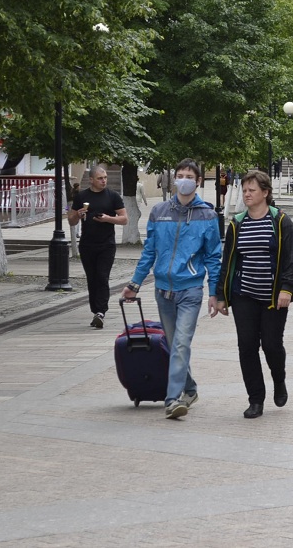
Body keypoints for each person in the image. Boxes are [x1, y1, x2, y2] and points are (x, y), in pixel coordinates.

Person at [122, 158, 222, 419]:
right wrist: (134, 283)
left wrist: (215, 293)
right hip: (163, 289)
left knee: (180, 344)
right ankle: (189, 388)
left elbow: (213, 257)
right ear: (174, 178)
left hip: (190, 290)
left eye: (189, 175)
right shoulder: (159, 212)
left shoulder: (208, 216)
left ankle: (172, 399)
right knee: (172, 343)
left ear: (198, 181)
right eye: (180, 174)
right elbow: (150, 251)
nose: (184, 179)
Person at [215, 170, 293, 419]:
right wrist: (222, 295)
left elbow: (291, 258)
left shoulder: (280, 221)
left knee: (272, 345)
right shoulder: (237, 223)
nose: (247, 194)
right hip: (244, 295)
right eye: (245, 190)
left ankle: (279, 379)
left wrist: (287, 288)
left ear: (265, 192)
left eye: (252, 190)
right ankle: (256, 399)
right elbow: (227, 261)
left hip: (273, 296)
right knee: (247, 347)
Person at [76, 165, 128, 329]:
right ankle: (95, 310)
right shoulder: (82, 196)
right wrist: (77, 215)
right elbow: (71, 220)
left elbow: (124, 219)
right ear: (91, 179)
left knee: (102, 276)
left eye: (105, 177)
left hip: (106, 245)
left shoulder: (113, 196)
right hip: (87, 245)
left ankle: (101, 312)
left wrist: (107, 218)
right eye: (100, 178)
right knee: (92, 278)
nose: (103, 180)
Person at [66, 182, 81, 259]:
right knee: (77, 222)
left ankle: (75, 233)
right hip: (76, 208)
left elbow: (68, 203)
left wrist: (67, 210)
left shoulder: (71, 193)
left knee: (74, 221)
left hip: (71, 207)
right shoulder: (78, 194)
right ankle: (77, 233)